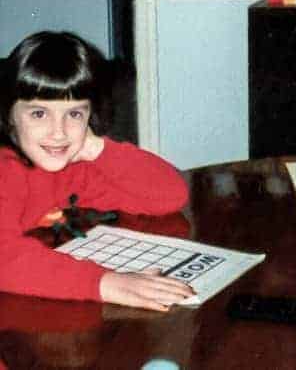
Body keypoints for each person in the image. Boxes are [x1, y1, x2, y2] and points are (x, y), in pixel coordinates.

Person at [0, 31, 195, 311]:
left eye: (75, 114)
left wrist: (97, 148)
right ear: (9, 116)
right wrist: (105, 283)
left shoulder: (72, 170)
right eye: (39, 114)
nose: (59, 132)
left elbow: (169, 195)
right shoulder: (6, 169)